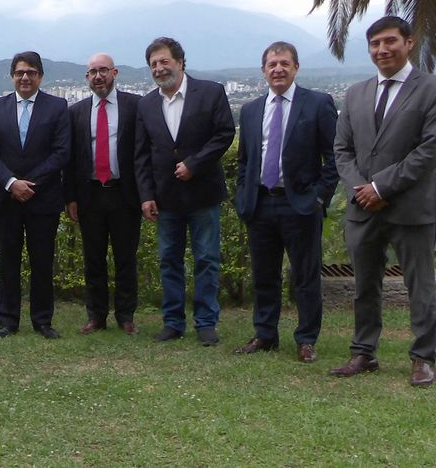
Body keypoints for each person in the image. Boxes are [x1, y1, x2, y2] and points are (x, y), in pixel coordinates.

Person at [329, 16, 436, 387]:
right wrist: (362, 189)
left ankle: (423, 358)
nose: (382, 50)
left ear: (409, 42)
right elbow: (342, 149)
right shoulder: (356, 93)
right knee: (364, 284)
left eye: (390, 41)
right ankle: (363, 352)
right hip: (363, 208)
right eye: (375, 44)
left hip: (412, 207)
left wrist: (381, 188)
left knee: (420, 285)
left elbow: (432, 149)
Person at [233, 42, 338, 362]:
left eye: (284, 63)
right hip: (260, 204)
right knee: (264, 275)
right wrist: (243, 196)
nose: (278, 69)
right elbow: (245, 161)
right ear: (263, 70)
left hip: (301, 205)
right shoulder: (251, 110)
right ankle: (265, 335)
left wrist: (319, 197)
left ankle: (306, 339)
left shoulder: (318, 104)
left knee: (305, 276)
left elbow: (334, 157)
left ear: (296, 67)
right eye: (272, 64)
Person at [135, 37, 235, 346]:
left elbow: (224, 134)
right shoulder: (146, 104)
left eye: (164, 61)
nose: (159, 68)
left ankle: (206, 323)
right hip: (165, 198)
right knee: (169, 260)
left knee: (206, 259)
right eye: (153, 64)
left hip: (203, 193)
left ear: (180, 62)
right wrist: (146, 195)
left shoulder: (211, 92)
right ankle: (173, 322)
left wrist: (195, 163)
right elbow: (142, 154)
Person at [0, 51, 71, 339]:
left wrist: (29, 183)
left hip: (42, 198)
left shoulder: (57, 107)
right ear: (12, 76)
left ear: (40, 76)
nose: (25, 77)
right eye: (20, 72)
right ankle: (8, 320)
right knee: (8, 261)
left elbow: (61, 153)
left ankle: (42, 320)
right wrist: (11, 183)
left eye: (31, 72)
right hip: (5, 198)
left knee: (42, 261)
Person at [63, 53, 142, 336]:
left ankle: (126, 315)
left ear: (114, 73)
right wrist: (70, 197)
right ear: (87, 77)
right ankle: (96, 315)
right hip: (90, 195)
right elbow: (70, 159)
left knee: (126, 258)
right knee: (93, 258)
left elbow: (142, 153)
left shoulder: (135, 106)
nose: (98, 76)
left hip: (124, 194)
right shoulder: (76, 112)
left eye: (103, 70)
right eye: (93, 72)